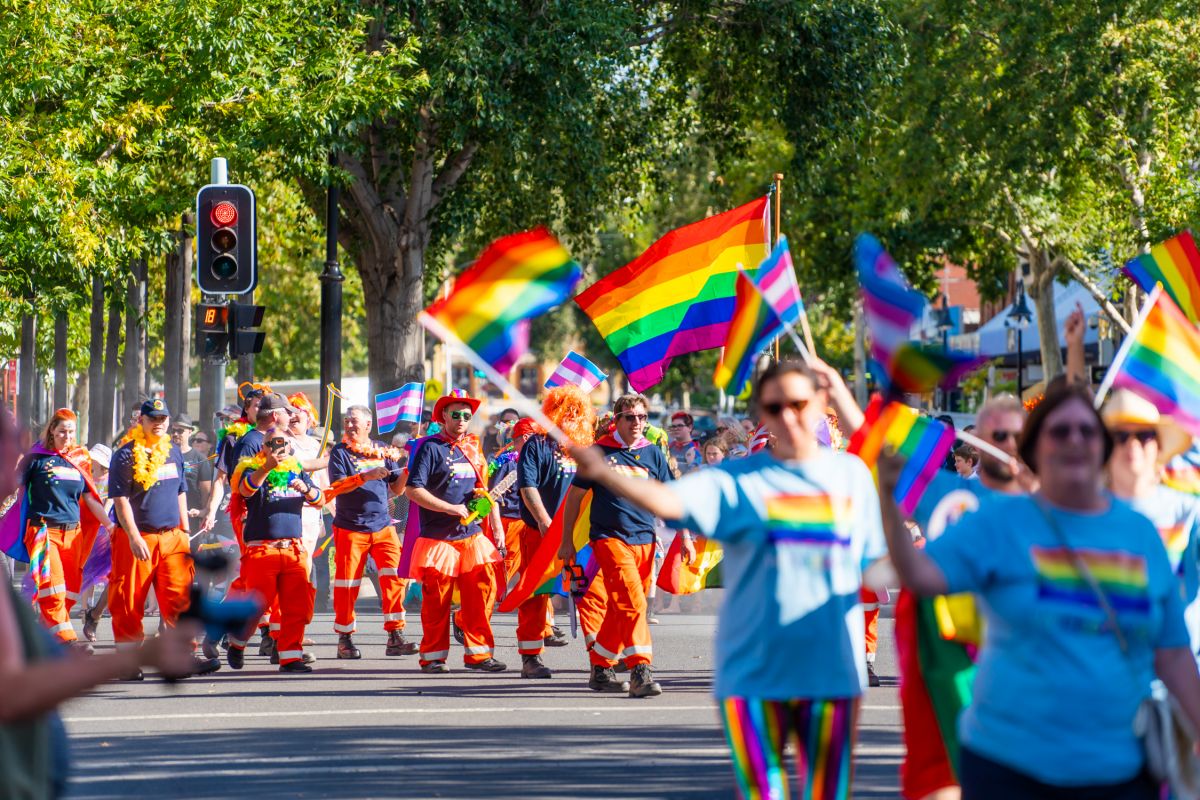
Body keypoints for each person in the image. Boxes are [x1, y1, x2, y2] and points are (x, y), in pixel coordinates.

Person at [569, 361, 885, 797]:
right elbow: (667, 498)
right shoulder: (736, 479)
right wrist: (604, 472)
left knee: (827, 790)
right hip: (752, 669)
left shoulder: (850, 475)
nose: (789, 415)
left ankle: (610, 658)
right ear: (762, 413)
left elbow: (894, 477)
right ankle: (626, 662)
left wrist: (848, 400)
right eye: (776, 406)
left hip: (831, 669)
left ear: (820, 405)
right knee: (761, 791)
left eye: (800, 403)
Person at [881, 381, 1200, 798]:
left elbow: (1173, 652)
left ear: (1101, 448)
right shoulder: (1000, 523)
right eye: (1059, 431)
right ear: (1035, 449)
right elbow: (922, 575)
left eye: (1087, 431)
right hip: (1009, 767)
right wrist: (888, 499)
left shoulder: (1140, 535)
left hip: (1117, 769)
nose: (1074, 440)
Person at [561, 392, 674, 697]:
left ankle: (600, 668)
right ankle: (640, 669)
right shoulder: (599, 453)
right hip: (609, 537)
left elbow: (671, 496)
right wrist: (566, 541)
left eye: (642, 417)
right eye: (630, 417)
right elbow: (573, 499)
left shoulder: (653, 453)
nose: (637, 423)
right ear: (616, 420)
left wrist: (686, 537)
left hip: (645, 540)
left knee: (620, 607)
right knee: (633, 601)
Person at [405, 389, 506, 673]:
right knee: (437, 601)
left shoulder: (474, 448)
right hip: (439, 540)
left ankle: (479, 655)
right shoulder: (430, 447)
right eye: (456, 414)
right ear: (443, 417)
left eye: (466, 414)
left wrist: (493, 521)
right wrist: (450, 508)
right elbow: (413, 490)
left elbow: (484, 492)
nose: (462, 419)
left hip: (472, 537)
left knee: (482, 595)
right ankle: (433, 657)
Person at [1103, 389, 1200, 655]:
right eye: (1121, 436)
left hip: (1177, 680)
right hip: (1105, 679)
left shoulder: (1189, 512)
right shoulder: (1080, 514)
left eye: (1144, 435)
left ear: (1158, 446)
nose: (1132, 444)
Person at [108, 399, 199, 680]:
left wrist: (184, 530)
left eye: (163, 418)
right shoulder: (125, 455)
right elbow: (120, 499)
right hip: (138, 537)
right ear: (141, 422)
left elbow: (181, 492)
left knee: (179, 599)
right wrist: (134, 537)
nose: (158, 423)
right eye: (153, 418)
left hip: (173, 537)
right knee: (128, 600)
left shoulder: (173, 451)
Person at [1, 409, 108, 648]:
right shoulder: (35, 458)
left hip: (73, 534)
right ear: (52, 430)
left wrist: (110, 525)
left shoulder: (80, 459)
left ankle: (42, 638)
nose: (67, 436)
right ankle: (67, 641)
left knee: (69, 591)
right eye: (62, 431)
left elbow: (90, 498)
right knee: (52, 587)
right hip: (41, 532)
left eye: (71, 432)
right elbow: (11, 487)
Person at [226, 420, 324, 673]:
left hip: (293, 549)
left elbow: (320, 499)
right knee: (257, 606)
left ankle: (290, 657)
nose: (279, 447)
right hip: (262, 550)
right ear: (264, 447)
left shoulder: (297, 469)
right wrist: (268, 467)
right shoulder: (252, 468)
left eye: (283, 443)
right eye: (273, 443)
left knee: (296, 606)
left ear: (291, 446)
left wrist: (307, 490)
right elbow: (245, 491)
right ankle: (237, 643)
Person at [513, 388, 596, 679]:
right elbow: (527, 486)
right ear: (553, 412)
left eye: (578, 410)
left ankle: (600, 658)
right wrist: (545, 522)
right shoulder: (537, 445)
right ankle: (531, 657)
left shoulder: (587, 448)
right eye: (567, 409)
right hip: (541, 534)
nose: (573, 416)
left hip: (581, 535)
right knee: (536, 593)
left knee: (590, 592)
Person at [327, 405, 415, 659]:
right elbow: (336, 488)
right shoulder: (340, 453)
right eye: (346, 421)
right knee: (347, 585)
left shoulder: (380, 449)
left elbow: (396, 490)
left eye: (354, 421)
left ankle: (395, 636)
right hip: (350, 527)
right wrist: (365, 476)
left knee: (395, 578)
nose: (349, 425)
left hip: (383, 526)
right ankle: (345, 639)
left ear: (368, 424)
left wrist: (407, 470)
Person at [172, 414, 210, 538]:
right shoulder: (164, 456)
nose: (176, 434)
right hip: (169, 517)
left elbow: (206, 492)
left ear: (189, 432)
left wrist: (203, 514)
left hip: (191, 517)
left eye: (180, 430)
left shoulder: (199, 458)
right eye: (173, 430)